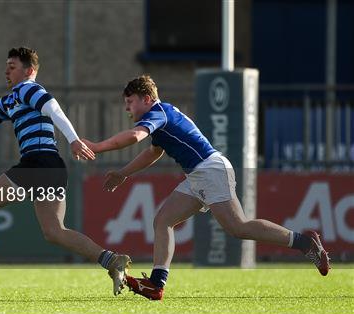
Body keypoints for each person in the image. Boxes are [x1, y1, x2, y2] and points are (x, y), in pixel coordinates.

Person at [82, 75, 330, 301]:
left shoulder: (158, 113)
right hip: (198, 175)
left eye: (130, 102)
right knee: (163, 221)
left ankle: (306, 243)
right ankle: (156, 285)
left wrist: (97, 146)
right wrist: (124, 174)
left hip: (210, 170)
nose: (127, 108)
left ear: (146, 99)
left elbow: (135, 137)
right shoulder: (159, 116)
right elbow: (152, 153)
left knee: (238, 227)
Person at [0, 47, 131, 295]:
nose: (6, 70)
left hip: (38, 163)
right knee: (54, 231)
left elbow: (54, 109)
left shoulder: (28, 88)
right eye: (6, 66)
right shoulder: (10, 100)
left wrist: (73, 139)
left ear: (29, 71)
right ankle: (111, 260)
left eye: (12, 66)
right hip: (51, 167)